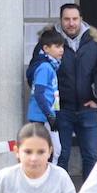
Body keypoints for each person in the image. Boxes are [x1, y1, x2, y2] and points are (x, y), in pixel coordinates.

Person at [46, 3, 97, 181]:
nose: (71, 23)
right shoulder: (49, 41)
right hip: (61, 110)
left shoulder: (94, 42)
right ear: (60, 20)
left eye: (75, 19)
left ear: (81, 20)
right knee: (60, 156)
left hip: (88, 109)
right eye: (67, 19)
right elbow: (35, 72)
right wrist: (48, 101)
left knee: (91, 155)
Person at [26, 29, 64, 166]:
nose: (61, 50)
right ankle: (46, 176)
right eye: (57, 46)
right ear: (46, 48)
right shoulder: (45, 67)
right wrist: (50, 116)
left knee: (54, 150)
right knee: (49, 151)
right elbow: (39, 93)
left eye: (62, 46)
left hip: (47, 115)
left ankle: (48, 175)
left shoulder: (50, 66)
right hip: (42, 117)